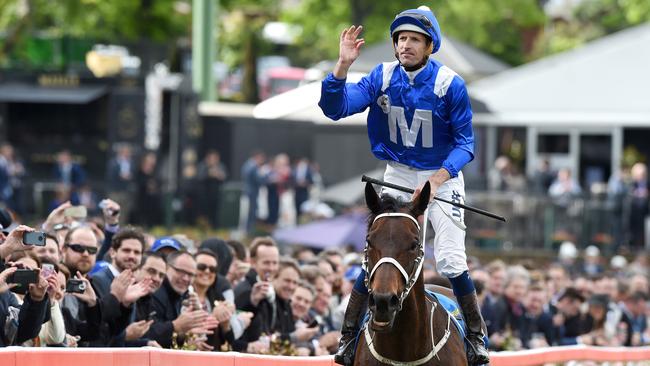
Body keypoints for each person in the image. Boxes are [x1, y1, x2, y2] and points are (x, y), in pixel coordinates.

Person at [318, 6, 489, 365]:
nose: (405, 45)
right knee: (382, 252)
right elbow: (335, 108)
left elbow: (466, 145)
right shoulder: (381, 76)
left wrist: (437, 179)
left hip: (441, 175)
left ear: (430, 46)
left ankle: (475, 336)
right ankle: (348, 337)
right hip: (397, 171)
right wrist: (343, 66)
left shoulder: (450, 84)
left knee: (450, 258)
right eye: (401, 39)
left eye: (414, 39)